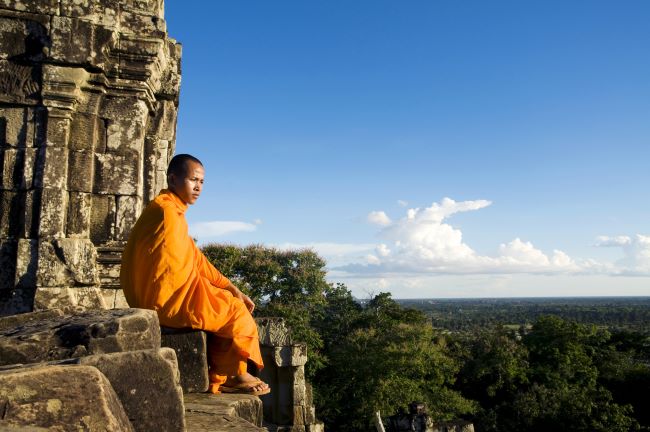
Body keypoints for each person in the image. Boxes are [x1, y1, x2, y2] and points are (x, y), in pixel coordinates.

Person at [120, 153, 270, 396]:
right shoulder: (165, 212)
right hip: (164, 300)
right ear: (173, 178)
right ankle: (235, 375)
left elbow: (195, 259)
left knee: (228, 300)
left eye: (202, 182)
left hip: (160, 295)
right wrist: (228, 294)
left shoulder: (170, 211)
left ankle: (223, 372)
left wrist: (232, 287)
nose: (198, 187)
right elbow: (178, 266)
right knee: (236, 312)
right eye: (193, 180)